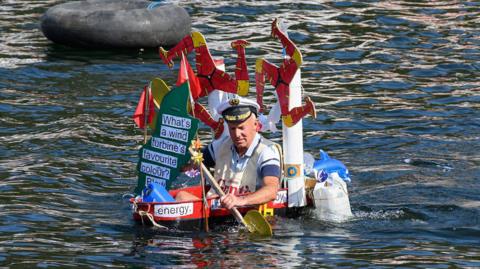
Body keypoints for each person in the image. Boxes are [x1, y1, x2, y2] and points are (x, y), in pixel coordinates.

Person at [176, 97, 281, 210]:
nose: (237, 134)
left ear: (256, 125)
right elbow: (191, 164)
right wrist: (181, 159)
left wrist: (241, 201)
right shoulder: (220, 145)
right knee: (181, 196)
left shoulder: (267, 151)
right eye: (232, 128)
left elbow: (272, 190)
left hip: (248, 212)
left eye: (241, 128)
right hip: (216, 210)